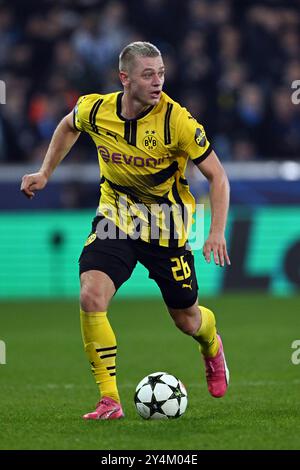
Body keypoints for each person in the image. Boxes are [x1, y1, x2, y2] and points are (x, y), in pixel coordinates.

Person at [21, 41, 231, 420]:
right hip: (115, 218)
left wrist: (216, 231)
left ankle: (211, 346)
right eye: (148, 74)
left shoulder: (177, 121)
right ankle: (109, 400)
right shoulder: (96, 109)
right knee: (91, 296)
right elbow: (68, 125)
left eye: (161, 73)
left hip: (167, 228)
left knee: (187, 319)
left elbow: (218, 177)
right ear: (125, 79)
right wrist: (44, 172)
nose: (158, 82)